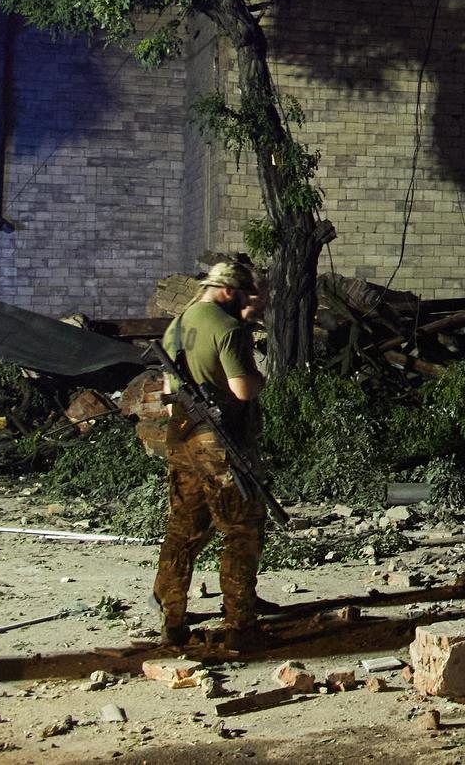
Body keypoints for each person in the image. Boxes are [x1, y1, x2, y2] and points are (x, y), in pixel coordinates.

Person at [151, 258, 267, 655]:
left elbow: (169, 397)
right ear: (229, 292)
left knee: (183, 531)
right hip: (220, 444)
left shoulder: (177, 325)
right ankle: (238, 626)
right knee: (240, 530)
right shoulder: (229, 328)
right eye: (244, 295)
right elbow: (243, 390)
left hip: (181, 438)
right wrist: (261, 377)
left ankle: (171, 622)